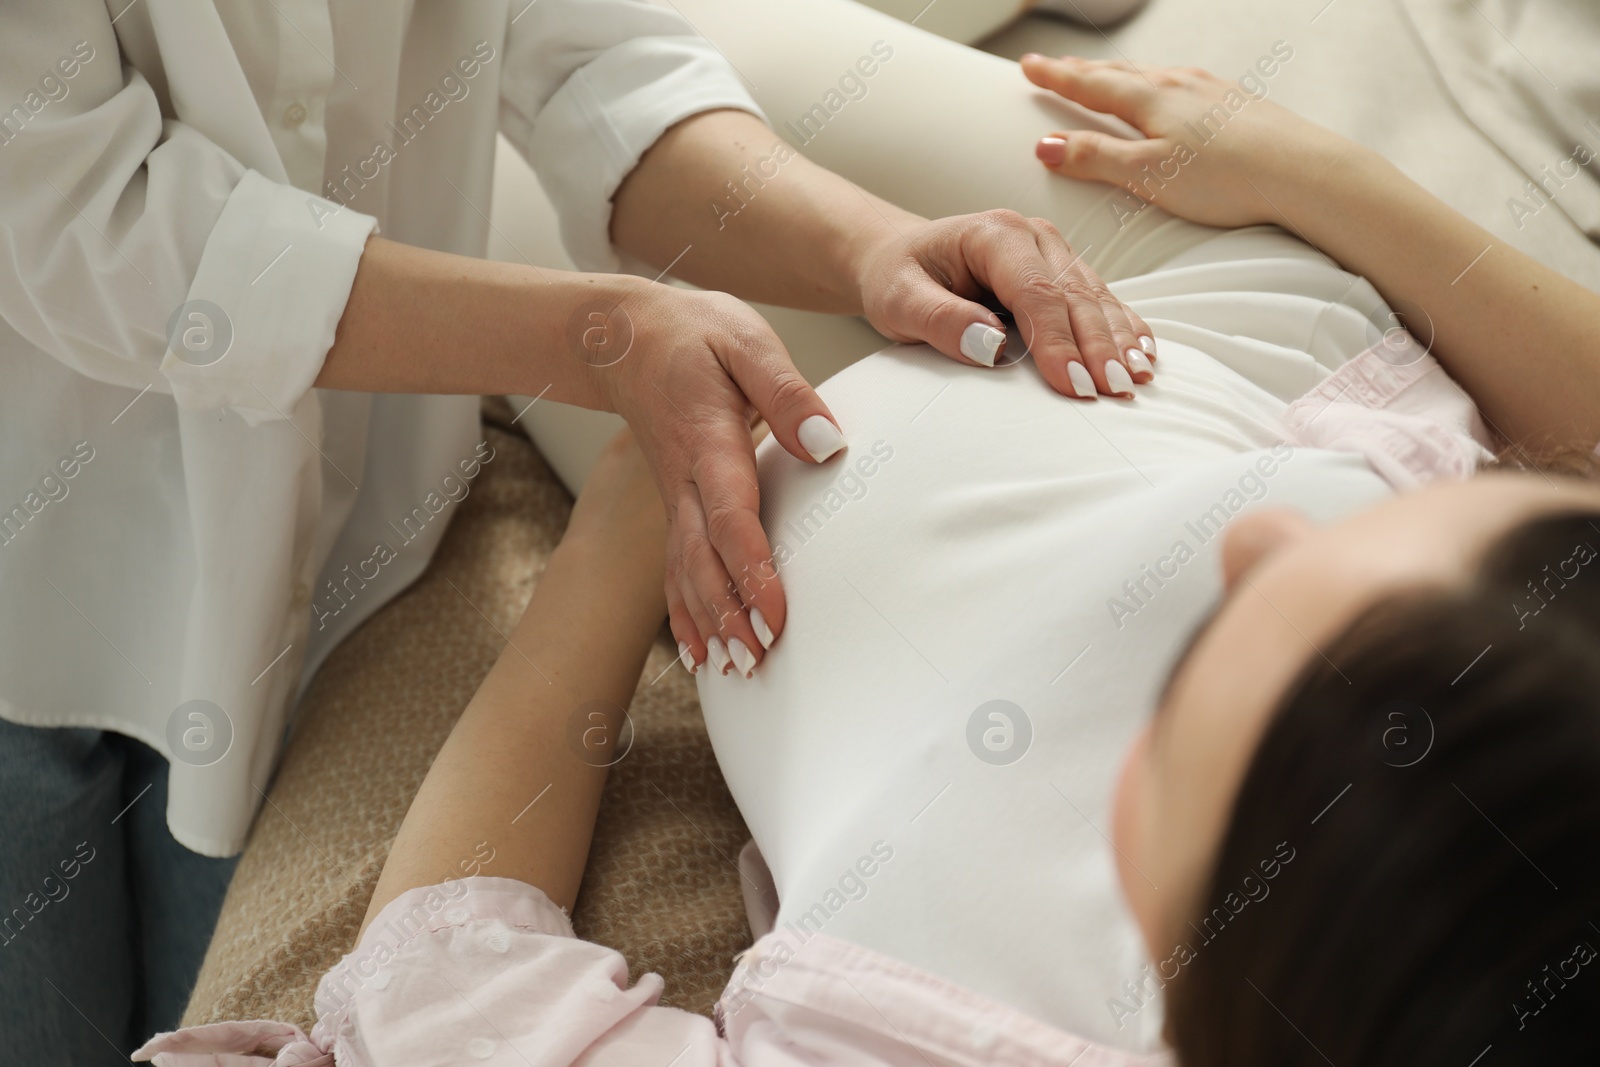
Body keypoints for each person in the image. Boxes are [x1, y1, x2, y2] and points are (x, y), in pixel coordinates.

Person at [134, 44, 1599, 1067]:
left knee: (418, 154)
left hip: (723, 476)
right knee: (641, 75)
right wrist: (1331, 177)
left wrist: (634, 508)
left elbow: (450, 986)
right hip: (1194, 297)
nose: (1275, 524)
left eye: (1238, 629)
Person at [0, 0, 1155, 1058]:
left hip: (352, 532)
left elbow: (595, 71)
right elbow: (90, 228)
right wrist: (603, 347)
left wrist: (866, 247)